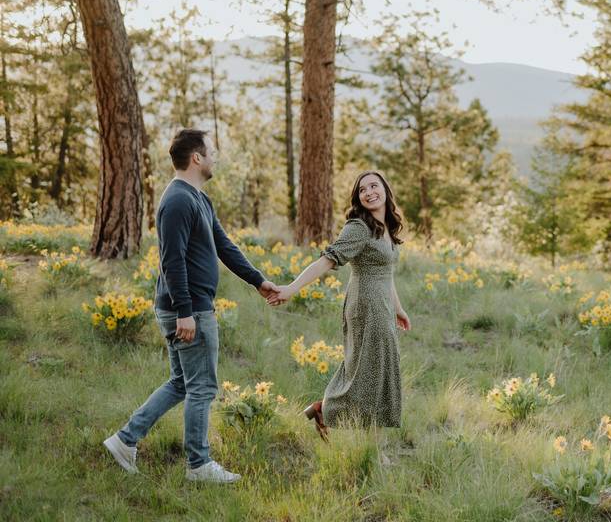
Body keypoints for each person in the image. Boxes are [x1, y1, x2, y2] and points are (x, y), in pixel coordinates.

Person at [103, 129, 281, 483]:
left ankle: (125, 441)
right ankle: (198, 464)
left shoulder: (199, 198)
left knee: (182, 383)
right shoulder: (177, 200)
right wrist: (185, 310)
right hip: (188, 308)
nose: (215, 156)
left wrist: (258, 281)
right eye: (211, 151)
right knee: (202, 387)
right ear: (196, 157)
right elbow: (172, 260)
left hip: (190, 305)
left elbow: (224, 246)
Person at [272, 170, 410, 440]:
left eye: (374, 186)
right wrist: (291, 288)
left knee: (375, 371)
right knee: (366, 372)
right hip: (366, 306)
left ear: (385, 189)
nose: (369, 192)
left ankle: (327, 412)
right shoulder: (359, 228)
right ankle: (341, 421)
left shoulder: (386, 230)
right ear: (358, 198)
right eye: (362, 189)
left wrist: (398, 308)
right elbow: (328, 259)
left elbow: (387, 274)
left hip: (383, 305)